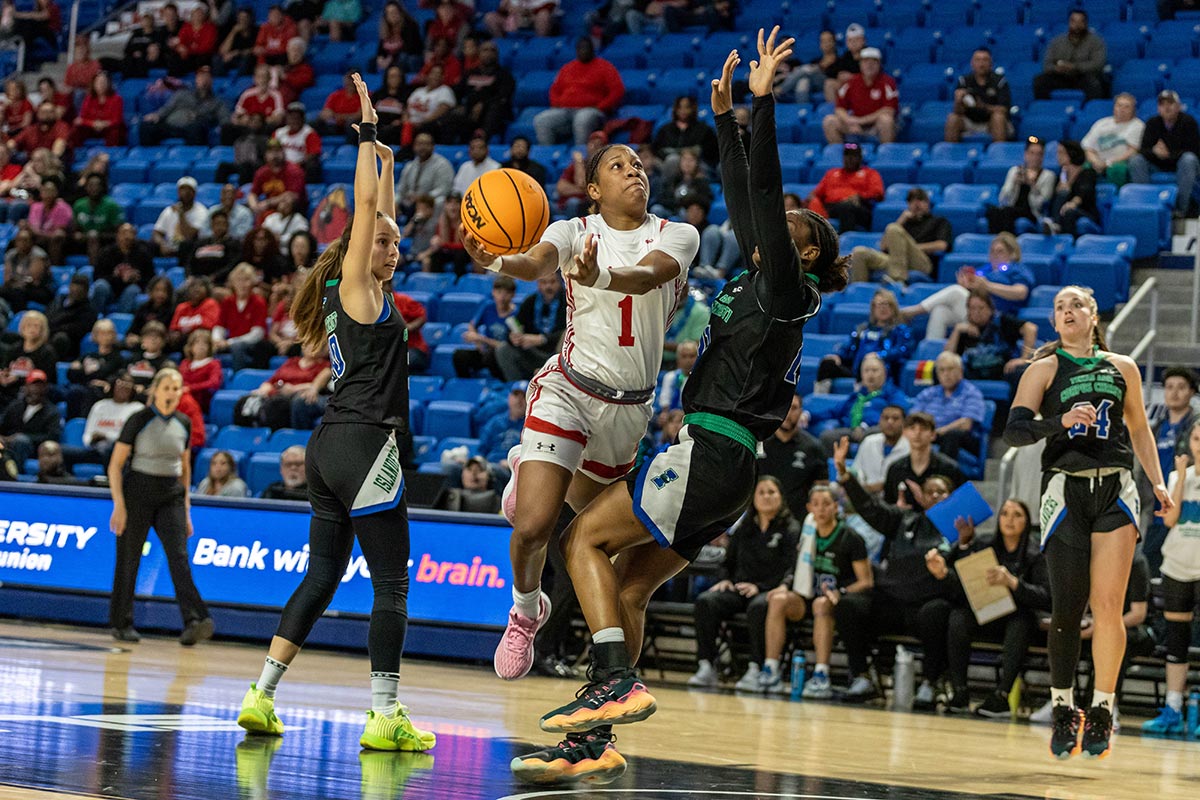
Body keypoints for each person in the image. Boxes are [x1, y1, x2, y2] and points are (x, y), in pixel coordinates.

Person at [510, 34, 849, 782]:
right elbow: (744, 194)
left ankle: (612, 681)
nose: (775, 223)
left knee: (580, 546)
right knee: (627, 585)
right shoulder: (764, 278)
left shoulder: (787, 289)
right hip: (725, 467)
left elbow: (760, 191)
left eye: (793, 230)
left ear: (808, 257)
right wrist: (725, 116)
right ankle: (594, 745)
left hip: (710, 452)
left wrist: (761, 104)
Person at [460, 116, 699, 686]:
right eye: (618, 165)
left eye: (638, 164)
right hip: (568, 388)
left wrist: (599, 278)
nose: (633, 171)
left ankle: (534, 467)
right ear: (594, 188)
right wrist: (494, 260)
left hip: (629, 411)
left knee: (603, 540)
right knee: (535, 524)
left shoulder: (677, 233)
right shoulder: (572, 230)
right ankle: (524, 612)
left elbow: (647, 277)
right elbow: (534, 262)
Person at [236, 75, 436, 753]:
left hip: (328, 448)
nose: (394, 248)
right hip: (364, 447)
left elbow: (380, 204)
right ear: (359, 248)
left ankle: (260, 697)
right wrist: (370, 136)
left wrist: (386, 164)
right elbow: (365, 206)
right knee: (391, 584)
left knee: (321, 576)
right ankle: (384, 713)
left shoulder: (351, 294)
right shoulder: (355, 282)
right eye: (385, 242)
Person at [1003, 285, 1170, 759]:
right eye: (1059, 307)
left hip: (1115, 485)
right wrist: (1059, 422)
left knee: (1109, 606)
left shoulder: (1123, 367)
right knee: (1068, 606)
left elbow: (1138, 427)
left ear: (1093, 316)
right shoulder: (1045, 368)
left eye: (1075, 304)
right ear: (1055, 323)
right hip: (1064, 486)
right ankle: (1062, 709)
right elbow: (1014, 429)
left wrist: (1157, 482)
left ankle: (1102, 708)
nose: (1067, 311)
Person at [832, 437, 955, 705]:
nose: (935, 496)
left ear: (952, 498)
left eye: (941, 492)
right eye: (930, 491)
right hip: (892, 601)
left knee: (938, 612)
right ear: (921, 497)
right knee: (848, 606)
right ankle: (862, 677)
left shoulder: (959, 531)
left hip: (925, 606)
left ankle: (931, 682)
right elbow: (870, 508)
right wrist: (845, 475)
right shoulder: (904, 519)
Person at [107, 368, 214, 645]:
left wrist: (187, 509)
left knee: (179, 558)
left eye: (176, 388)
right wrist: (119, 504)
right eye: (167, 387)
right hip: (138, 492)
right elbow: (115, 465)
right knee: (129, 560)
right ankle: (122, 623)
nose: (172, 393)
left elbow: (185, 467)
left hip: (171, 496)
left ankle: (194, 620)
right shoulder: (138, 420)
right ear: (155, 390)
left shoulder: (184, 422)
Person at [686, 476, 802, 691]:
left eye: (771, 492)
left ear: (781, 497)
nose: (766, 497)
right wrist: (725, 580)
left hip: (768, 591)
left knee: (759, 606)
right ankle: (706, 665)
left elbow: (791, 568)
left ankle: (755, 667)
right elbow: (726, 562)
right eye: (761, 492)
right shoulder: (744, 528)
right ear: (753, 498)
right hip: (739, 589)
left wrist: (762, 587)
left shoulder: (791, 529)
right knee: (706, 601)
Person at [757, 485, 872, 696]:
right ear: (809, 507)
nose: (821, 509)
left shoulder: (851, 538)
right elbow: (795, 567)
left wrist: (842, 592)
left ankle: (821, 674)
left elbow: (866, 581)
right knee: (778, 599)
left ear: (836, 507)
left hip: (834, 602)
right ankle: (770, 668)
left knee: (821, 604)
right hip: (805, 596)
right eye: (816, 504)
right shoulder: (806, 531)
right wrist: (784, 585)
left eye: (826, 504)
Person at [942, 498, 1050, 716]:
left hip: (1020, 621)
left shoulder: (1036, 554)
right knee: (957, 617)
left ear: (1027, 522)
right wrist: (963, 544)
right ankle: (960, 691)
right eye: (1004, 514)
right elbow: (960, 577)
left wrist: (1013, 583)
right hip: (988, 613)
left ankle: (1001, 696)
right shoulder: (983, 545)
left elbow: (1046, 597)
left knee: (1020, 621)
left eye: (1017, 515)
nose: (1009, 519)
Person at [1142, 421, 1200, 737]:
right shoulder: (1178, 478)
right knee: (1175, 642)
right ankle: (1173, 708)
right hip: (1177, 566)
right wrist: (1181, 475)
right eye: (1196, 438)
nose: (1199, 444)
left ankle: (1195, 710)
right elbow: (1172, 517)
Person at [900, 233, 1032, 340]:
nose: (995, 256)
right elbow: (975, 292)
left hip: (997, 316)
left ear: (1012, 253)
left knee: (956, 292)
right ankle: (931, 354)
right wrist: (967, 286)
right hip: (972, 311)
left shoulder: (1017, 269)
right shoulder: (986, 270)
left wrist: (987, 286)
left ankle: (912, 312)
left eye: (1000, 252)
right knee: (940, 311)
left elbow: (1020, 292)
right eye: (992, 252)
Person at [1141, 367, 1199, 575]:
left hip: (1186, 512)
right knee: (1150, 571)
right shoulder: (1155, 428)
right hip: (1155, 511)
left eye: (1181, 387)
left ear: (1192, 392)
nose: (1174, 393)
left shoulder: (1196, 428)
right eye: (1169, 387)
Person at [809, 352, 909, 452]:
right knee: (827, 436)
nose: (870, 374)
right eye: (866, 371)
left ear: (884, 373)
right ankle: (843, 464)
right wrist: (808, 416)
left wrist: (865, 426)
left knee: (871, 436)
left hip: (875, 430)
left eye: (875, 370)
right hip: (851, 430)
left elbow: (899, 412)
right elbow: (833, 412)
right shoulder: (856, 396)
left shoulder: (892, 393)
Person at [848, 187, 951, 283]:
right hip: (897, 261)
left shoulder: (939, 221)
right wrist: (901, 220)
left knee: (893, 228)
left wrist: (910, 248)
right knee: (859, 252)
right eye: (912, 200)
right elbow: (883, 246)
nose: (916, 204)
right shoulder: (903, 223)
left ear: (928, 203)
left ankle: (897, 281)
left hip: (922, 263)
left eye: (920, 200)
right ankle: (858, 294)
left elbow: (942, 245)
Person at [533, 37, 624, 145]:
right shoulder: (567, 68)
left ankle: (581, 156)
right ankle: (548, 154)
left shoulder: (605, 67)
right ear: (576, 50)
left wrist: (601, 106)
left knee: (582, 119)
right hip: (566, 110)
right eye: (580, 48)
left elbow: (618, 91)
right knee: (541, 120)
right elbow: (554, 90)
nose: (583, 51)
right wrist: (557, 104)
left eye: (586, 48)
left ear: (592, 49)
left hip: (592, 111)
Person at [817, 288, 913, 384]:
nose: (883, 308)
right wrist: (838, 356)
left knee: (870, 365)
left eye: (887, 304)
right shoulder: (862, 329)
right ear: (873, 308)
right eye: (879, 304)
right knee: (827, 364)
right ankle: (820, 396)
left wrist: (879, 355)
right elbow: (849, 348)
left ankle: (861, 395)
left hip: (880, 371)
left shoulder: (900, 330)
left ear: (893, 308)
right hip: (857, 368)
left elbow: (902, 351)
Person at [1130, 90, 1200, 218]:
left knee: (1189, 159)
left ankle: (1180, 210)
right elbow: (1143, 150)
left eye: (1170, 103)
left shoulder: (1189, 122)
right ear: (1158, 108)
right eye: (1162, 104)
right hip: (1157, 164)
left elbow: (1194, 150)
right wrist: (1154, 152)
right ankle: (1146, 206)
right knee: (1136, 160)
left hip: (1181, 164)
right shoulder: (1152, 123)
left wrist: (1168, 155)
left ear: (1178, 106)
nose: (1166, 107)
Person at [946, 289, 1039, 382]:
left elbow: (1030, 328)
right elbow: (947, 357)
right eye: (972, 308)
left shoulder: (1002, 321)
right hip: (972, 373)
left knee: (1020, 372)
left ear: (990, 309)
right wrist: (956, 331)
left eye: (981, 308)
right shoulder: (964, 329)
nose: (976, 312)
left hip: (1002, 370)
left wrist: (1024, 359)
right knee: (940, 370)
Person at [910, 352, 986, 459]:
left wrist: (939, 431)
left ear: (960, 371)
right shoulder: (928, 393)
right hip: (930, 434)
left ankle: (942, 475)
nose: (946, 374)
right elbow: (913, 418)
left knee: (952, 435)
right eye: (942, 370)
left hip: (962, 439)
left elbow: (965, 424)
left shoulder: (971, 392)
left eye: (950, 369)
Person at [492, 273, 566, 382]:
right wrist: (513, 337)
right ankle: (517, 390)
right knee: (503, 350)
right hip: (532, 352)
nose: (548, 287)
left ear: (560, 283)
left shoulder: (568, 301)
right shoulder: (530, 301)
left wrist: (542, 339)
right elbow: (514, 327)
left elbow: (569, 331)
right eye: (544, 282)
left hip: (557, 354)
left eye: (552, 282)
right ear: (538, 284)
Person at [882, 411, 966, 505]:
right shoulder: (895, 469)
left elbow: (963, 504)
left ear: (933, 434)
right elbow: (887, 506)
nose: (917, 433)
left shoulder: (950, 468)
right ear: (904, 433)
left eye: (923, 429)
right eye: (912, 428)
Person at [62, 371, 141, 469]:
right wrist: (91, 440)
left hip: (120, 453)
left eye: (128, 385)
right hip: (96, 450)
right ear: (113, 386)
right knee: (62, 451)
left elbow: (132, 438)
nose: (124, 388)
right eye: (121, 384)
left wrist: (107, 437)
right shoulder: (100, 406)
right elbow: (88, 434)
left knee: (109, 449)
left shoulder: (137, 408)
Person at [822, 47, 898, 145]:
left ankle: (885, 156)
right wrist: (849, 121)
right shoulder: (851, 83)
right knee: (829, 121)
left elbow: (889, 110)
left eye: (873, 62)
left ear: (879, 64)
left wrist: (860, 121)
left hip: (875, 124)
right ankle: (841, 156)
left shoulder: (888, 83)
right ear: (860, 64)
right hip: (855, 123)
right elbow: (839, 109)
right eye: (866, 61)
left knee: (886, 120)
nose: (869, 65)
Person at [804, 142, 883, 233]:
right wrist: (811, 197)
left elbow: (877, 193)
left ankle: (842, 241)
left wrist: (860, 196)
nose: (849, 159)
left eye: (853, 156)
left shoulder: (870, 173)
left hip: (858, 207)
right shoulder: (832, 173)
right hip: (832, 207)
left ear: (860, 158)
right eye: (847, 156)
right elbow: (817, 193)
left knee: (847, 207)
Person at [1032, 9, 1107, 102]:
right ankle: (1046, 110)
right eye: (1073, 21)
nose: (1077, 25)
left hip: (1084, 76)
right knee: (1039, 81)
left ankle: (1089, 111)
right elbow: (1047, 65)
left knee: (1095, 84)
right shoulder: (1057, 41)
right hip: (1061, 76)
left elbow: (1097, 64)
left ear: (1086, 24)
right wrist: (1056, 68)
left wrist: (1075, 67)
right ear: (1069, 23)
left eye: (1080, 22)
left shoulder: (1096, 41)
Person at [452, 274, 517, 379]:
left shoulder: (515, 316)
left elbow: (506, 347)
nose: (502, 297)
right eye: (499, 292)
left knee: (491, 356)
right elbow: (472, 325)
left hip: (503, 357)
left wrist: (481, 339)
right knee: (460, 356)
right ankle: (468, 384)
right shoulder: (487, 307)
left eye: (506, 294)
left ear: (513, 295)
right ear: (493, 292)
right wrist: (477, 342)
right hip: (485, 351)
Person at [454, 40, 516, 144]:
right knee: (452, 113)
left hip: (494, 113)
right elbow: (457, 92)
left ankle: (482, 137)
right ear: (479, 53)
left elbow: (503, 96)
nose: (489, 53)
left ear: (497, 55)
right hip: (470, 111)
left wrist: (483, 104)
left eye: (492, 50)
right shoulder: (470, 73)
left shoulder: (504, 75)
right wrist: (458, 105)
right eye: (485, 50)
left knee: (496, 106)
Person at [945, 49, 1012, 144]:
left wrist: (982, 106)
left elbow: (1004, 109)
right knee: (952, 118)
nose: (981, 63)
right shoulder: (963, 81)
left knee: (998, 118)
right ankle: (950, 155)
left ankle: (999, 154)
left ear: (991, 63)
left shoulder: (1000, 82)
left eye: (985, 60)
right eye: (977, 60)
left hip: (990, 122)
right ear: (972, 63)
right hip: (970, 121)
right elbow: (958, 112)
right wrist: (958, 101)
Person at [64, 318, 126, 419]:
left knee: (91, 391)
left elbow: (104, 373)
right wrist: (88, 373)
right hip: (85, 386)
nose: (105, 337)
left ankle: (86, 421)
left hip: (101, 392)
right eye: (101, 333)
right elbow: (70, 374)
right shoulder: (88, 355)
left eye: (108, 333)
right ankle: (72, 423)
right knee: (74, 391)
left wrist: (82, 371)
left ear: (114, 335)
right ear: (95, 335)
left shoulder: (117, 358)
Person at [0, 368, 60, 466]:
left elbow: (52, 436)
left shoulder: (52, 412)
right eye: (33, 385)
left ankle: (14, 477)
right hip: (8, 445)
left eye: (40, 385)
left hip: (35, 449)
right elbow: (2, 423)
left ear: (46, 388)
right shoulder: (16, 406)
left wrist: (22, 437)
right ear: (26, 386)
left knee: (21, 441)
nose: (36, 388)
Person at [1082, 93, 1144, 189]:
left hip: (1120, 162)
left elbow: (1133, 151)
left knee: (1117, 169)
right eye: (1119, 105)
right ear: (1114, 107)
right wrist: (1095, 161)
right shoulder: (1101, 123)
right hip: (1098, 160)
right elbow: (1088, 148)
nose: (1122, 109)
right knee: (1084, 167)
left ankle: (1118, 197)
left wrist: (1108, 162)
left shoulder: (1137, 125)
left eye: (1126, 107)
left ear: (1133, 110)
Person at [1042, 140, 1099, 237]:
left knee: (1069, 212)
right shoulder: (1061, 175)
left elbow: (1085, 192)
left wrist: (1073, 203)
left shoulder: (1087, 173)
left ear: (1071, 154)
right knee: (1062, 195)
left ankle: (1066, 239)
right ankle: (1055, 224)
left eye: (1061, 152)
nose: (1057, 156)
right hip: (1061, 212)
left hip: (1083, 211)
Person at [850, 403, 909, 494]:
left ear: (904, 423)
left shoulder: (910, 447)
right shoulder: (869, 441)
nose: (890, 422)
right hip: (865, 496)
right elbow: (857, 470)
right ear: (879, 421)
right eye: (885, 418)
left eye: (895, 418)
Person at [651, 96, 719, 175]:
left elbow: (712, 152)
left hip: (698, 163)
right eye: (679, 107)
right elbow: (657, 150)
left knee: (688, 162)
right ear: (675, 109)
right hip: (668, 163)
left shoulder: (704, 130)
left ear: (693, 109)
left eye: (687, 107)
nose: (683, 111)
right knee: (672, 160)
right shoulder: (665, 130)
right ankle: (668, 186)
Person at [395, 132, 453, 218]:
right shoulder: (410, 166)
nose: (422, 147)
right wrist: (395, 203)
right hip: (409, 203)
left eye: (426, 144)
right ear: (414, 146)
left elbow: (443, 190)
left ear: (433, 146)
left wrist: (422, 198)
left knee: (439, 202)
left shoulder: (442, 165)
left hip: (428, 203)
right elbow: (401, 190)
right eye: (419, 144)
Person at [71, 172, 123, 266]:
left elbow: (118, 233)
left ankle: (94, 269)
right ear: (86, 187)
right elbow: (74, 229)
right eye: (91, 185)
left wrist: (99, 235)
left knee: (93, 236)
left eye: (97, 185)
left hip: (105, 241)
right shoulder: (79, 205)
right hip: (83, 241)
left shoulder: (111, 206)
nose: (94, 188)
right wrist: (77, 234)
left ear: (102, 188)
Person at [152, 177, 209, 259]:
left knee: (187, 245)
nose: (185, 193)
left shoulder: (201, 212)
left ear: (194, 193)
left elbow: (189, 235)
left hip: (189, 250)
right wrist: (162, 244)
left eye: (189, 189)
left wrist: (181, 215)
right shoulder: (169, 210)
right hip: (169, 246)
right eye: (182, 189)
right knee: (148, 246)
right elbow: (156, 232)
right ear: (178, 192)